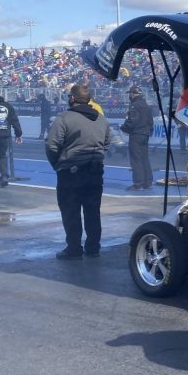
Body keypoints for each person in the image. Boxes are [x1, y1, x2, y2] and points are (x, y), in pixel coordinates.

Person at [45, 85, 111, 260]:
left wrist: (57, 164)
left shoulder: (64, 118)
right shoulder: (101, 120)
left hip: (71, 172)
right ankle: (93, 247)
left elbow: (52, 145)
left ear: (72, 98)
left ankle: (74, 248)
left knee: (71, 211)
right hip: (95, 171)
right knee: (93, 211)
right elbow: (107, 143)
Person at [121, 86, 153, 190]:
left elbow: (132, 122)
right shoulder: (146, 105)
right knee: (145, 157)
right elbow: (150, 122)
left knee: (136, 159)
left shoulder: (134, 106)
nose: (129, 95)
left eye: (130, 93)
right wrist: (148, 132)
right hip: (145, 134)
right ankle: (147, 182)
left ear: (133, 94)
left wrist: (123, 128)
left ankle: (138, 183)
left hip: (136, 134)